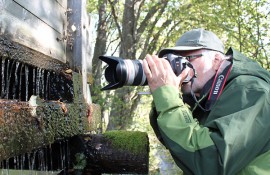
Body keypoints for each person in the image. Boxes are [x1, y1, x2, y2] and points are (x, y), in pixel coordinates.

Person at [142, 28, 270, 175]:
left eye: (187, 59)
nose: (178, 67)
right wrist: (163, 96)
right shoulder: (207, 101)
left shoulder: (251, 91)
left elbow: (210, 161)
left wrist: (168, 98)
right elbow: (183, 150)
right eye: (175, 61)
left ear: (216, 61)